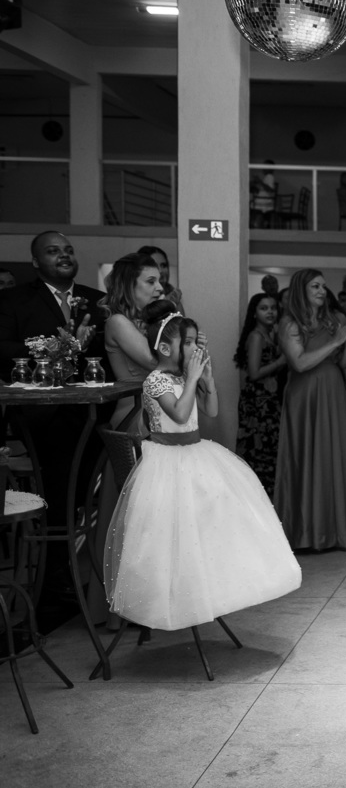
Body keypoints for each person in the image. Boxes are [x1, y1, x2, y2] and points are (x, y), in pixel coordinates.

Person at [104, 301, 300, 631]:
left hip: (196, 454)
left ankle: (211, 591)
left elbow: (209, 410)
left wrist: (206, 378)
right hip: (165, 462)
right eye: (189, 342)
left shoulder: (186, 376)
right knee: (173, 535)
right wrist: (192, 378)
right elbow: (179, 414)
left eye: (196, 341)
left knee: (217, 523)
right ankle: (177, 600)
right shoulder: (155, 380)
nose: (195, 348)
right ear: (165, 347)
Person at [0, 231, 104, 535]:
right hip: (41, 413)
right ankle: (57, 561)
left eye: (69, 250)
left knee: (87, 485)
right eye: (53, 250)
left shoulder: (97, 301)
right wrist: (57, 346)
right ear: (35, 260)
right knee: (59, 487)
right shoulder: (13, 300)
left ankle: (76, 546)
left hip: (92, 413)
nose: (64, 255)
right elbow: (3, 349)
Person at [274, 269, 346, 552]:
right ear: (302, 290)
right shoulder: (290, 323)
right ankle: (304, 532)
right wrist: (336, 342)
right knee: (305, 455)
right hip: (305, 394)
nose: (322, 291)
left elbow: (343, 361)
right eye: (315, 286)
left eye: (324, 286)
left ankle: (333, 531)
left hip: (332, 390)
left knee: (331, 455)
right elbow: (299, 363)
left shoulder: (334, 320)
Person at [103, 252, 166, 433]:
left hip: (165, 409)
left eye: (159, 281)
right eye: (151, 281)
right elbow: (156, 363)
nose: (160, 287)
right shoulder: (118, 322)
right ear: (129, 285)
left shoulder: (151, 322)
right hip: (136, 414)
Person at [234, 293, 286, 496]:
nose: (270, 312)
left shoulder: (268, 334)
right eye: (264, 308)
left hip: (268, 400)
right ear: (254, 314)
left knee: (268, 449)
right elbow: (254, 373)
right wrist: (281, 362)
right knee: (259, 450)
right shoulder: (256, 336)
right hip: (257, 402)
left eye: (273, 307)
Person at [137, 245, 184, 314]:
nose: (160, 270)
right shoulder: (138, 302)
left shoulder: (174, 299)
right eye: (155, 265)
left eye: (163, 265)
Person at [250, 161, 276, 229]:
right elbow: (263, 189)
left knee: (251, 209)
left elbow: (270, 190)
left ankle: (255, 225)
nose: (263, 168)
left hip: (263, 204)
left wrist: (259, 181)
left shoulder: (270, 177)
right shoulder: (266, 177)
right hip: (261, 202)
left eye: (265, 167)